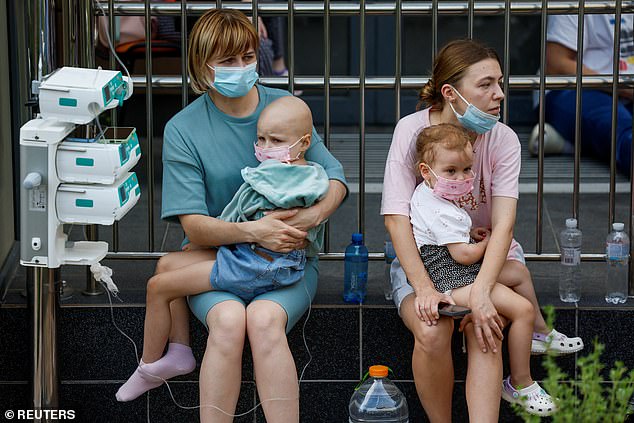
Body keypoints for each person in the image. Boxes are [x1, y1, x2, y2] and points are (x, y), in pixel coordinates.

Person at [117, 9, 348, 422]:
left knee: (262, 321)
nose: (242, 68)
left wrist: (308, 221)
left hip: (290, 260)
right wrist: (256, 231)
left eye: (247, 56)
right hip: (221, 254)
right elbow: (193, 225)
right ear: (201, 66)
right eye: (227, 60)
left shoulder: (285, 108)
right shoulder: (184, 128)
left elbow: (335, 179)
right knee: (226, 320)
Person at [381, 39, 583, 422]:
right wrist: (423, 286)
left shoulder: (503, 139)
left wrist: (484, 294)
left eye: (500, 83)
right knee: (431, 332)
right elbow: (396, 217)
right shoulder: (411, 131)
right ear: (450, 93)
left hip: (491, 256)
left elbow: (504, 224)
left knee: (483, 326)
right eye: (486, 84)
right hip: (428, 260)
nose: (500, 94)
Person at [115, 96, 329, 402]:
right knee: (168, 263)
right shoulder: (315, 177)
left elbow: (232, 215)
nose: (265, 148)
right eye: (261, 139)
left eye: (276, 140)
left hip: (251, 265)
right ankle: (179, 351)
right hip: (277, 262)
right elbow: (326, 198)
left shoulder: (264, 177)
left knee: (158, 287)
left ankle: (148, 367)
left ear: (304, 142)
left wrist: (205, 239)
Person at [411, 123, 555, 416]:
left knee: (517, 272)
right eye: (451, 171)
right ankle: (520, 383)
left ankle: (541, 333)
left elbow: (450, 234)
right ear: (426, 171)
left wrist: (472, 232)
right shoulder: (437, 206)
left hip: (457, 269)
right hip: (452, 278)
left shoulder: (433, 196)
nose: (462, 177)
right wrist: (488, 242)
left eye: (467, 169)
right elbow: (463, 256)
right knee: (522, 309)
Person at [530, 13, 633, 172]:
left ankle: (570, 143)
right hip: (574, 88)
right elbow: (556, 64)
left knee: (612, 129)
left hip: (623, 92)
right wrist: (625, 87)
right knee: (621, 129)